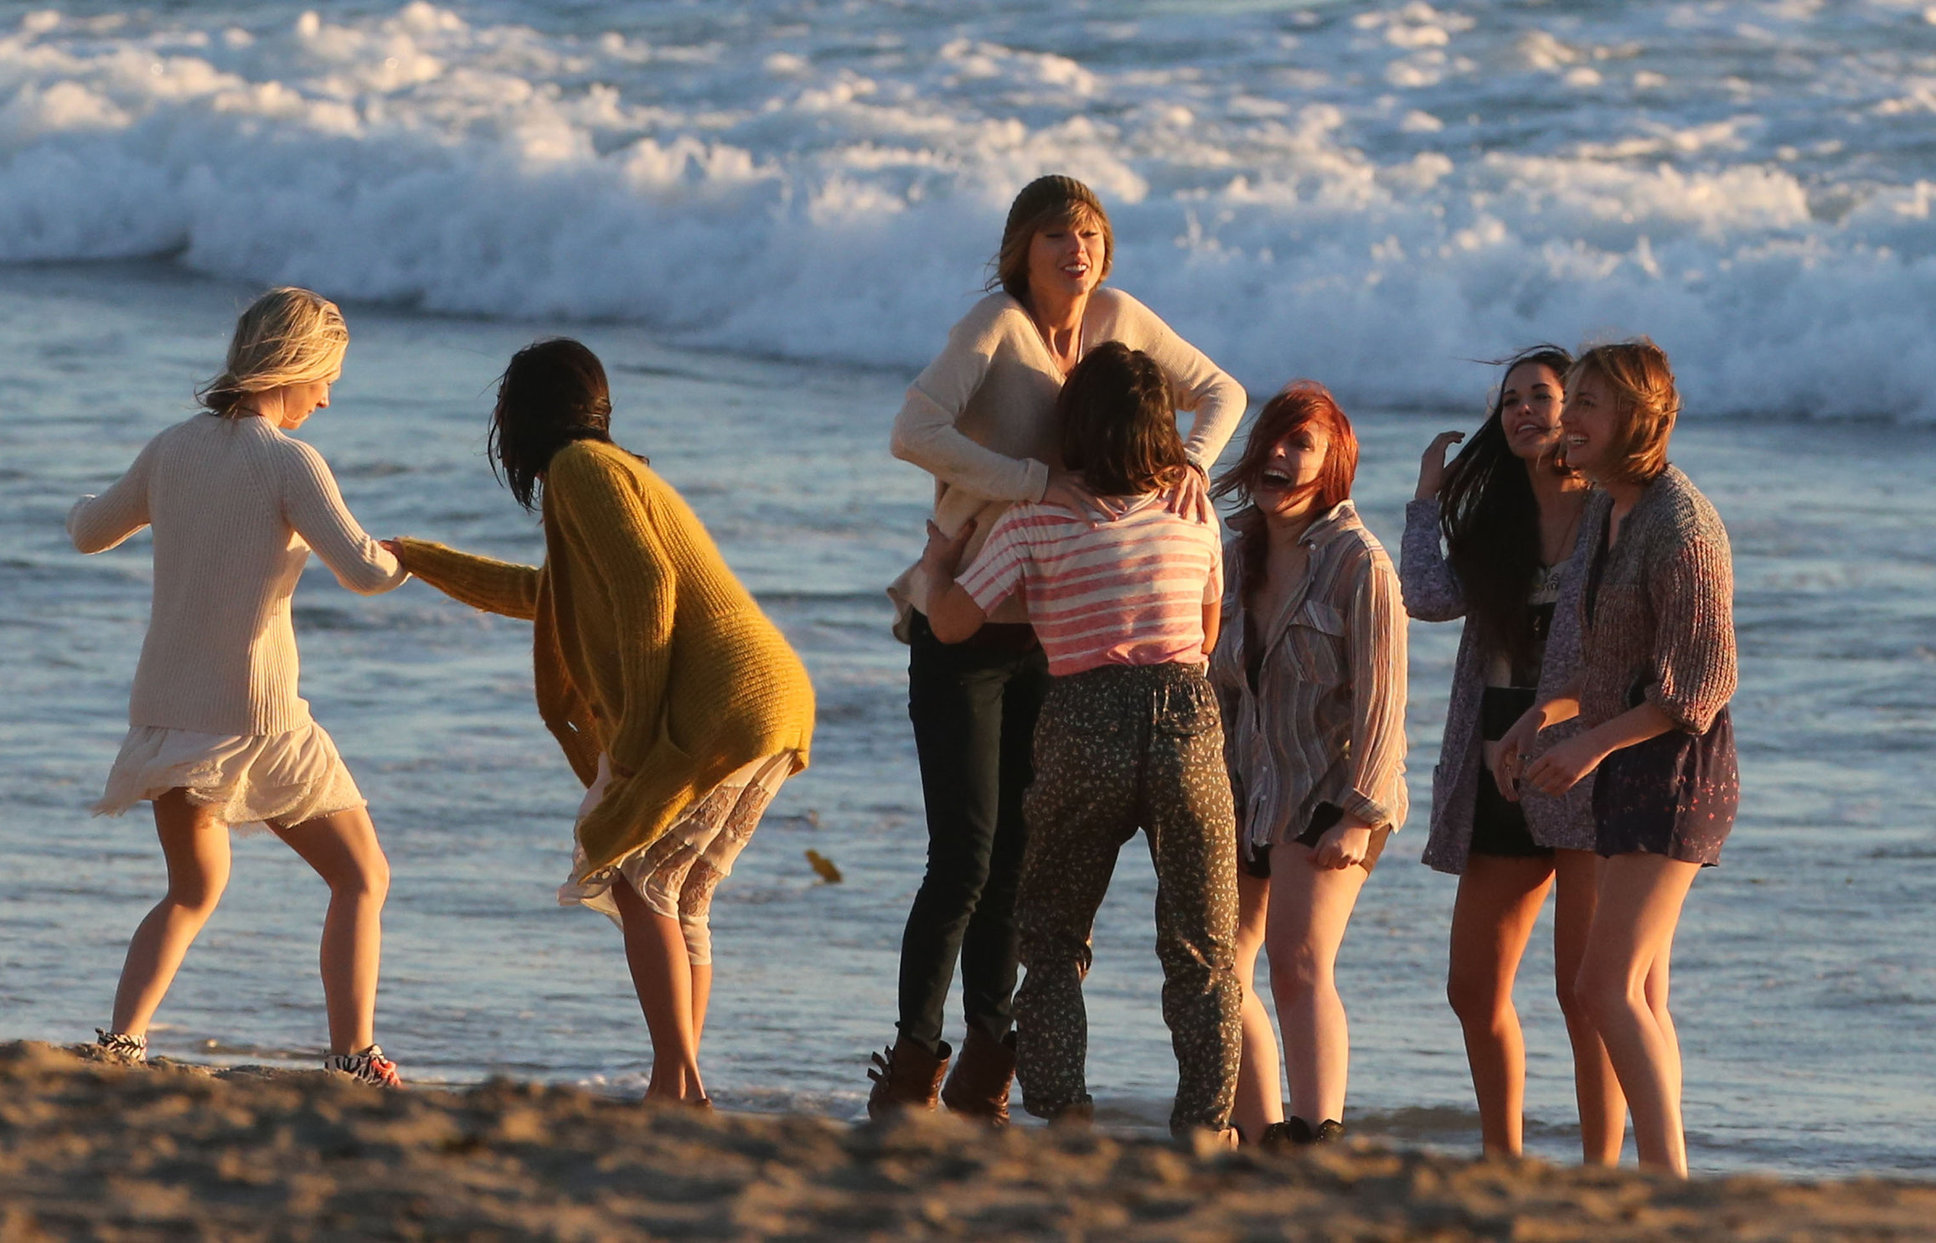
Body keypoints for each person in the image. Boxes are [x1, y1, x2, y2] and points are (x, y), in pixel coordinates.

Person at [873, 174, 1245, 1121]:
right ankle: (913, 1059)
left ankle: (992, 1061)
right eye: (1054, 236)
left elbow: (1223, 392)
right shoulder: (993, 328)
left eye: (1089, 233)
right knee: (964, 852)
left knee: (1022, 862)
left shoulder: (1118, 317)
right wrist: (1033, 480)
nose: (1076, 249)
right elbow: (912, 431)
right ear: (1020, 251)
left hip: (1056, 629)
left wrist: (1188, 470)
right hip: (961, 615)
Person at [387, 339, 815, 1107]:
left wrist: (642, 728)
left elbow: (646, 582)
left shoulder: (581, 470)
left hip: (723, 697)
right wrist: (417, 558)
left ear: (519, 419)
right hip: (771, 697)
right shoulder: (616, 474)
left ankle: (677, 1080)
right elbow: (543, 595)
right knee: (682, 891)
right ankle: (678, 1082)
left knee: (634, 871)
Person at [69, 287, 409, 1086]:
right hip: (258, 719)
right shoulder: (288, 461)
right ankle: (354, 1054)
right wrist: (412, 557)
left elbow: (89, 532)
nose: (326, 397)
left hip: (164, 714)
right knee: (363, 875)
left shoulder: (170, 449)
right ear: (290, 368)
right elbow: (363, 570)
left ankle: (122, 1042)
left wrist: (84, 500)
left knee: (191, 887)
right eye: (324, 377)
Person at [918, 343, 1240, 1142]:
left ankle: (1065, 1112)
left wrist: (936, 566)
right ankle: (1206, 1124)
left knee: (1054, 935)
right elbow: (1208, 628)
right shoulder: (1194, 513)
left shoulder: (1034, 523)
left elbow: (955, 624)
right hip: (1186, 717)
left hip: (1083, 718)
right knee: (1203, 941)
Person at [1498, 339, 1737, 1177]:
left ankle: (1668, 1182)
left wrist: (1591, 744)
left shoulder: (1681, 521)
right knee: (1636, 993)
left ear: (1636, 419)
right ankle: (1666, 1179)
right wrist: (1540, 717)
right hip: (1630, 765)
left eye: (1588, 403)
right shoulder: (1608, 509)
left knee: (1603, 987)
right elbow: (1588, 654)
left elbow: (1701, 686)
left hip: (1678, 770)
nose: (1568, 419)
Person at [1401, 347, 1626, 1162]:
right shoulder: (1495, 519)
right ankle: (1504, 1159)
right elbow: (1425, 595)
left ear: (1579, 412)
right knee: (1472, 985)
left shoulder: (1612, 515)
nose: (1526, 410)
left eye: (1543, 395)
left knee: (1587, 992)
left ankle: (1602, 1170)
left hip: (1591, 761)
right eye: (1510, 402)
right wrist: (1428, 497)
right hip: (1497, 756)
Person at [1208, 382, 1408, 1146]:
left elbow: (1384, 703)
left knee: (1297, 962)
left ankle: (1316, 1132)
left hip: (1332, 795)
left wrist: (1360, 816)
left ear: (1333, 468)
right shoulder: (1232, 554)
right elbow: (1212, 683)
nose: (1281, 459)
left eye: (1302, 446)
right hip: (1244, 791)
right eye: (1274, 443)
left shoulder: (1360, 563)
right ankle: (1261, 1138)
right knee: (1219, 973)